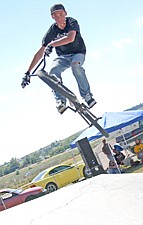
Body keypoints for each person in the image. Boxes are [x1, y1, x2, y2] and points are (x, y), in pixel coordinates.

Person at [22, 3, 96, 114]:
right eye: (56, 16)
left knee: (75, 66)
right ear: (53, 17)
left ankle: (87, 96)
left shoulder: (72, 22)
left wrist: (52, 44)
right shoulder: (52, 31)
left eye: (61, 14)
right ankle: (60, 100)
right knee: (53, 72)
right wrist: (27, 72)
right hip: (63, 57)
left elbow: (70, 38)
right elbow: (40, 53)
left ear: (65, 13)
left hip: (78, 53)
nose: (60, 18)